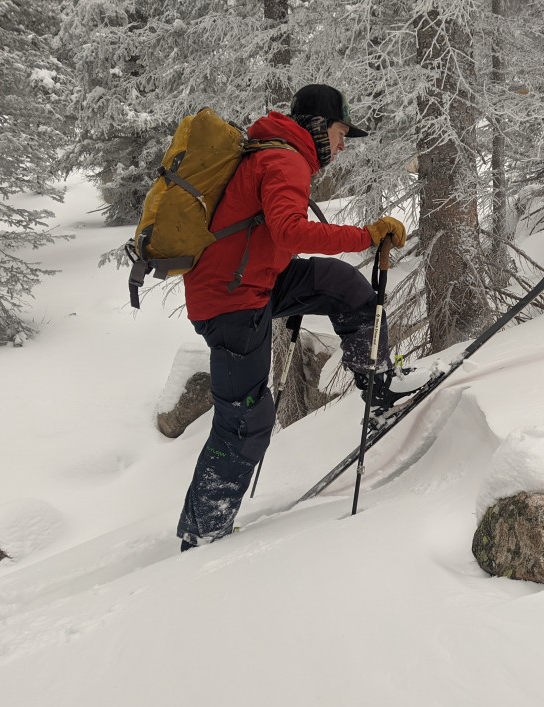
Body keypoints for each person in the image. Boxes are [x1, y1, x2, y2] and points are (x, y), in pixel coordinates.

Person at [177, 83, 424, 551]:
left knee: (344, 287)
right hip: (231, 301)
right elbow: (289, 231)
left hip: (254, 281)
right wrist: (365, 235)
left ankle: (380, 387)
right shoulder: (284, 158)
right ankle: (202, 533)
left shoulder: (276, 150)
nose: (343, 143)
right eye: (340, 131)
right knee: (245, 421)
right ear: (317, 125)